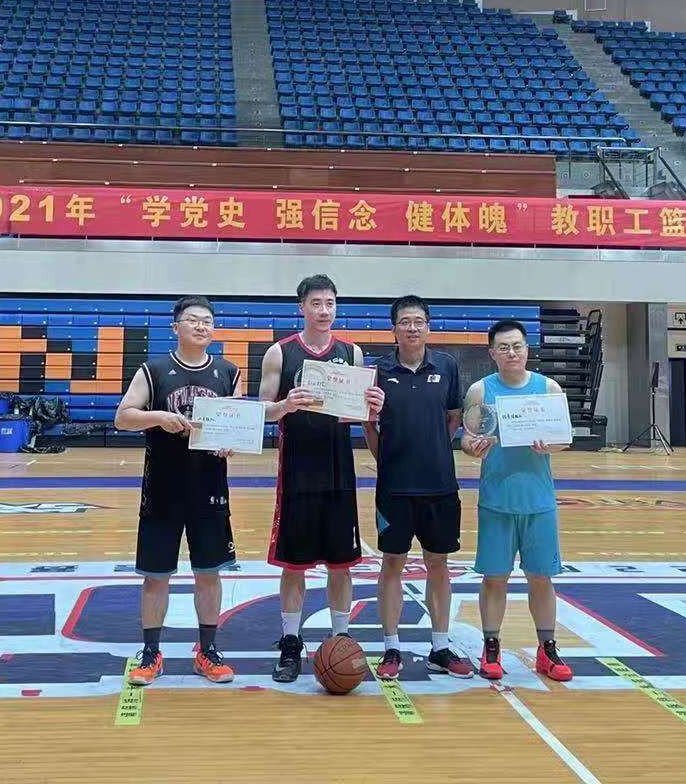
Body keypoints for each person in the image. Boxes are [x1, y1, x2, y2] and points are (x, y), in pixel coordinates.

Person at [259, 273, 385, 682]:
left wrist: (373, 406)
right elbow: (262, 410)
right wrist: (285, 405)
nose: (324, 310)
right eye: (316, 303)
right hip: (297, 469)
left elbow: (361, 413)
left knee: (341, 564)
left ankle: (341, 638)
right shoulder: (280, 352)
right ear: (302, 307)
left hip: (338, 468)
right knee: (293, 565)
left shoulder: (352, 352)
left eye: (330, 303)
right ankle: (290, 642)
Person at [114, 295, 240, 687]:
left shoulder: (229, 371)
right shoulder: (153, 370)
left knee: (209, 574)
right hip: (163, 488)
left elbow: (237, 423)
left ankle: (208, 651)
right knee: (156, 577)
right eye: (193, 320)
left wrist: (231, 441)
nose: (201, 326)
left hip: (209, 488)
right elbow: (123, 417)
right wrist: (158, 417)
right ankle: (151, 653)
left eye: (207, 321)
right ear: (176, 327)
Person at [366, 295, 474, 679]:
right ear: (393, 329)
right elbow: (370, 425)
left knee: (438, 564)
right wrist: (390, 460)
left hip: (439, 485)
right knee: (392, 563)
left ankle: (440, 647)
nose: (412, 328)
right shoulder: (378, 371)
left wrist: (434, 449)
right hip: (394, 487)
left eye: (418, 321)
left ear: (428, 326)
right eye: (405, 322)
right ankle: (391, 647)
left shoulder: (447, 366)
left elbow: (453, 417)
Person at [461, 318, 574, 683]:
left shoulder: (548, 387)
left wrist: (550, 445)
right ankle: (491, 645)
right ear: (492, 353)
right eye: (504, 347)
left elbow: (564, 438)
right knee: (495, 578)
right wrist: (474, 448)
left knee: (541, 577)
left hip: (538, 500)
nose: (512, 352)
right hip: (497, 499)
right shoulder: (480, 390)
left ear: (527, 349)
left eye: (517, 346)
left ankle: (547, 648)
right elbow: (467, 439)